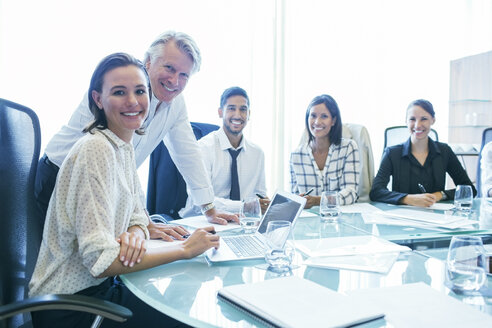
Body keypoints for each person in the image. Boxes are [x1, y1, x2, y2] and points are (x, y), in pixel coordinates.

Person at [29, 53, 219, 328]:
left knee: (180, 304)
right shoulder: (95, 149)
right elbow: (101, 259)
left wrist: (135, 233)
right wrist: (184, 248)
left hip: (101, 291)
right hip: (73, 307)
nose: (133, 101)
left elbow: (138, 216)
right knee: (188, 321)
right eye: (119, 92)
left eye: (140, 91)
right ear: (97, 99)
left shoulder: (123, 146)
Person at [34, 31, 238, 237]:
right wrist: (144, 221)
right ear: (148, 62)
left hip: (103, 187)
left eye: (184, 75)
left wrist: (208, 207)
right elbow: (118, 159)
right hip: (60, 178)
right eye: (169, 68)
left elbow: (187, 153)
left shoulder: (175, 103)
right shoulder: (120, 92)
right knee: (77, 260)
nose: (175, 81)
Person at [180, 87, 270, 217]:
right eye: (231, 108)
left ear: (249, 114)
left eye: (243, 109)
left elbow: (259, 194)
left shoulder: (257, 153)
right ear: (220, 112)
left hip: (243, 222)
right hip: (202, 222)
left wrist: (266, 204)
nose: (238, 115)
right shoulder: (203, 148)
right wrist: (243, 206)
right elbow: (199, 201)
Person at [370, 99, 477, 206]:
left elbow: (470, 190)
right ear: (406, 121)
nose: (417, 125)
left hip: (434, 216)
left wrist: (439, 195)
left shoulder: (445, 151)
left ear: (433, 120)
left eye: (424, 119)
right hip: (402, 216)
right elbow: (376, 192)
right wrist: (407, 199)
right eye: (412, 119)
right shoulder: (392, 153)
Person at [289, 94, 360, 208]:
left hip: (340, 219)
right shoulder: (296, 156)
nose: (317, 122)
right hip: (308, 222)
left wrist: (318, 200)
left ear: (333, 121)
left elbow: (351, 193)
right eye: (313, 116)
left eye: (324, 116)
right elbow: (294, 197)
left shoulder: (348, 148)